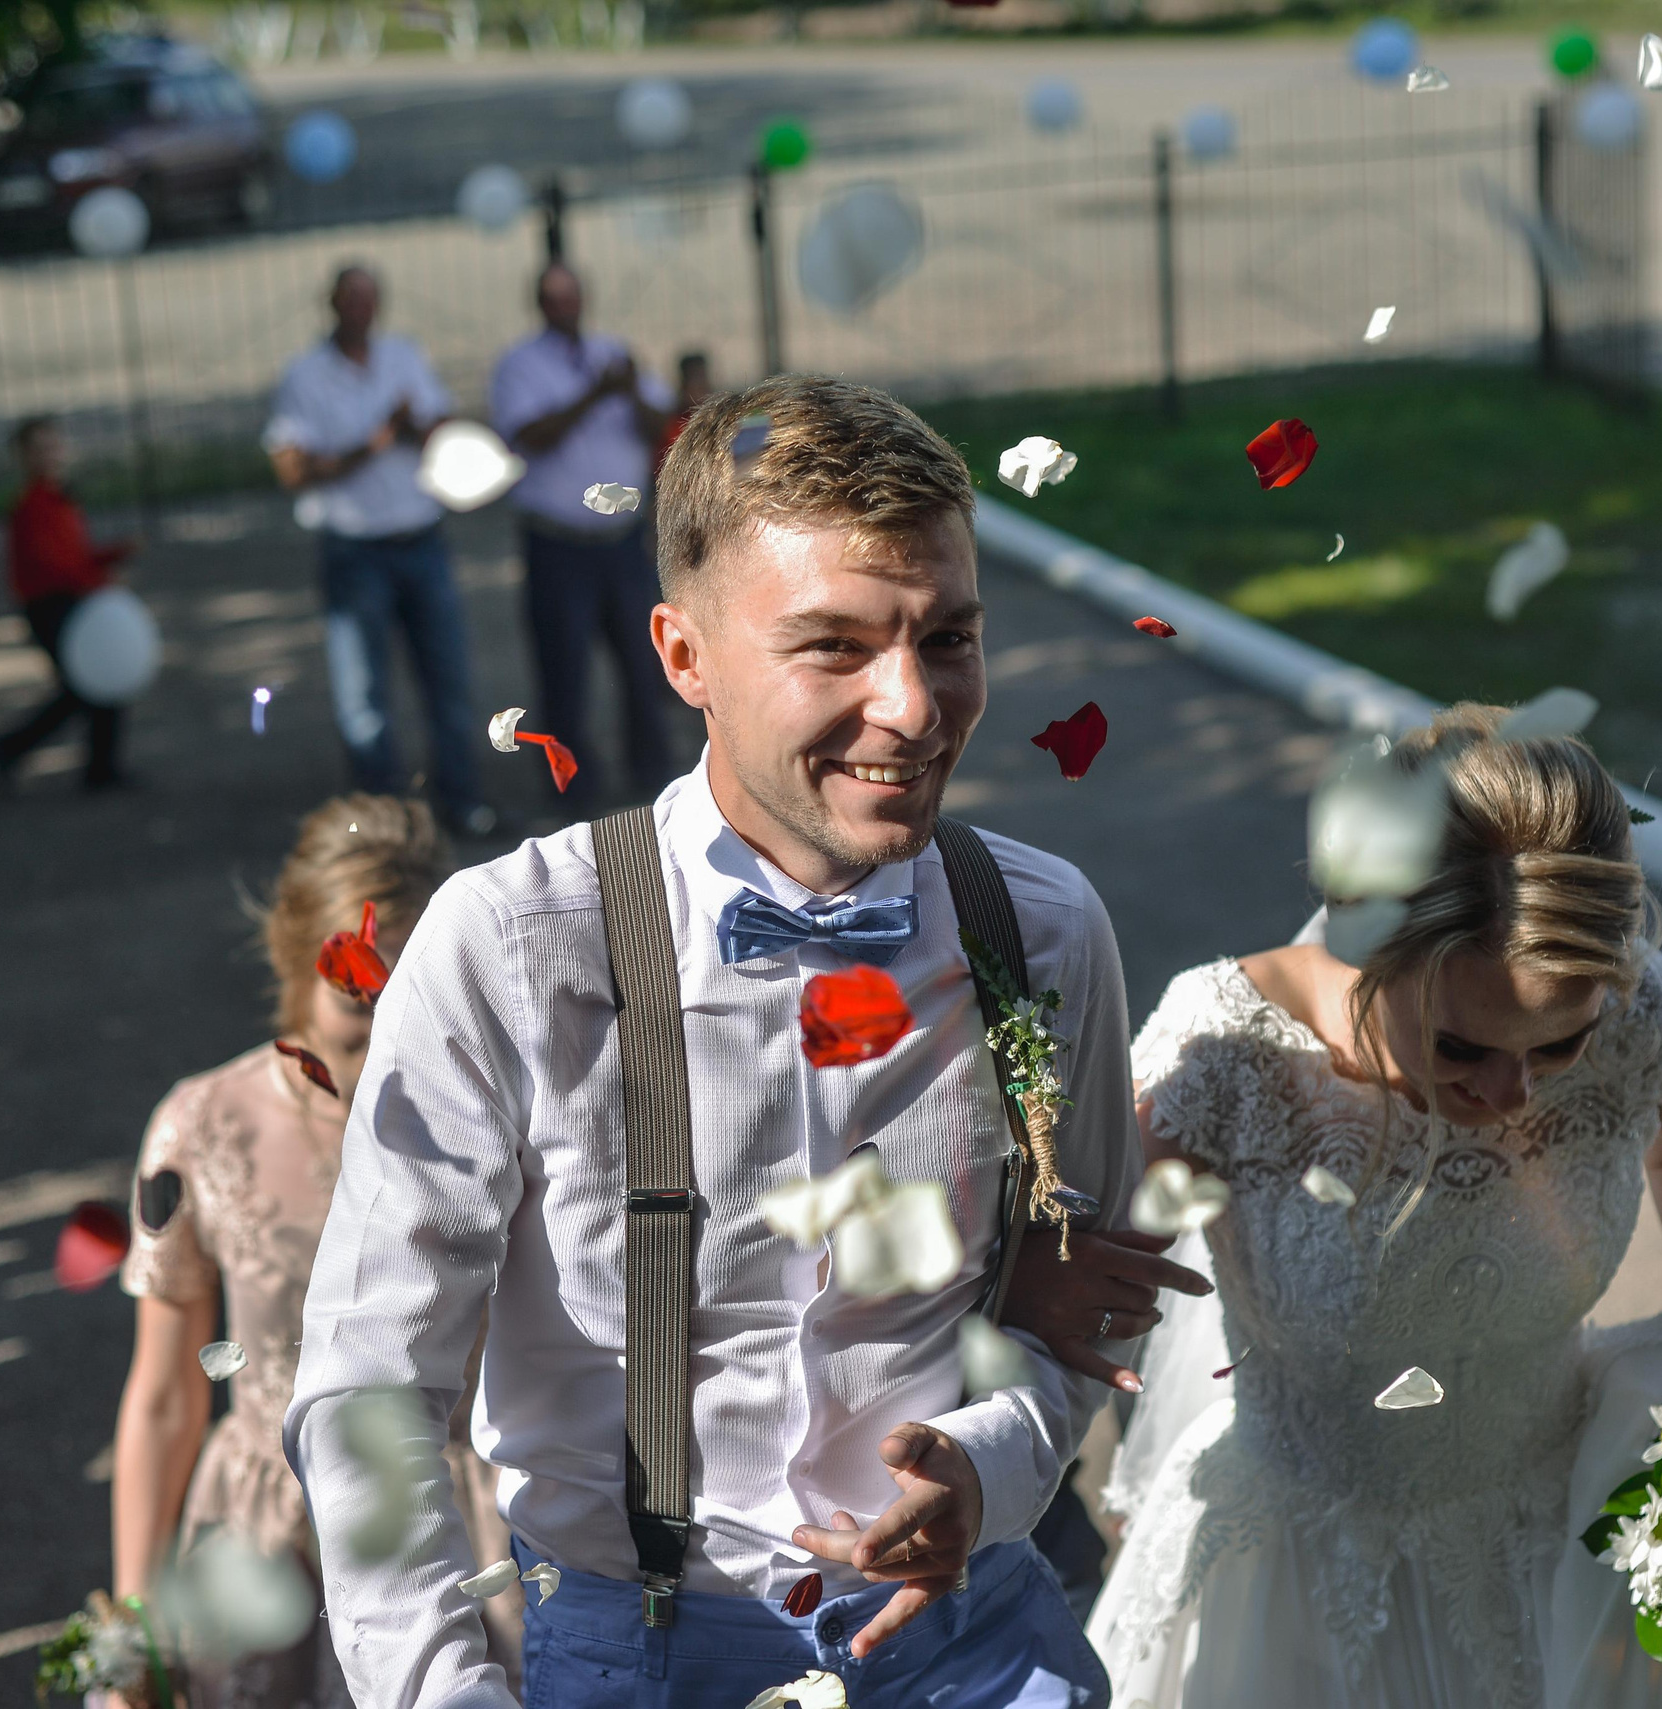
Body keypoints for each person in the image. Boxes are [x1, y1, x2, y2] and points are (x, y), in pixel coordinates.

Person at [284, 376, 1144, 1709]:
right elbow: (369, 1383)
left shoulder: (1041, 931)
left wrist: (991, 1461)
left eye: (948, 638)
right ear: (683, 657)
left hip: (972, 1639)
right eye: (836, 647)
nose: (914, 706)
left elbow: (1073, 1305)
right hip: (632, 1657)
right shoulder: (514, 946)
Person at [1077, 705, 1662, 1709]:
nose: (1511, 1094)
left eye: (1557, 1045)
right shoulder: (1229, 1055)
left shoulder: (1638, 1014)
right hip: (1297, 1586)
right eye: (1461, 1045)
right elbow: (1071, 1297)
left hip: (1560, 1550)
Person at [112, 794, 525, 1705]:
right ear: (292, 969)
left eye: (410, 1015)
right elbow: (165, 1394)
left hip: (464, 1519)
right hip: (266, 1542)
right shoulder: (200, 1125)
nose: (385, 1060)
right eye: (353, 1029)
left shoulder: (503, 1107)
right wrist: (133, 1617)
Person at [265, 265, 494, 839]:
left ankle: (460, 803)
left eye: (371, 301)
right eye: (352, 302)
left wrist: (409, 426)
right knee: (363, 695)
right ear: (333, 306)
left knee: (448, 679)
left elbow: (443, 432)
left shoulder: (403, 356)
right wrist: (372, 444)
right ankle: (384, 821)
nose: (363, 312)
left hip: (420, 538)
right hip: (354, 547)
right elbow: (292, 469)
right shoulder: (306, 375)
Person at [490, 263, 678, 809]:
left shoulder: (612, 352)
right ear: (539, 304)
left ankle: (653, 777)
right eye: (555, 299)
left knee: (645, 665)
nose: (567, 307)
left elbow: (661, 426)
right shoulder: (520, 365)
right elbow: (530, 437)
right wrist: (596, 394)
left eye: (573, 296)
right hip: (559, 543)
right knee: (564, 671)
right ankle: (571, 788)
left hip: (620, 540)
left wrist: (627, 393)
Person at [0, 417, 133, 793]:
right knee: (88, 684)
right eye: (40, 449)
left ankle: (96, 765)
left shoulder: (60, 499)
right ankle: (13, 749)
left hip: (72, 603)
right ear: (24, 457)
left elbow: (75, 557)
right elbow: (55, 566)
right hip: (52, 607)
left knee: (91, 686)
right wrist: (100, 579)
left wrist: (112, 556)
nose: (51, 455)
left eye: (54, 446)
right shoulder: (32, 506)